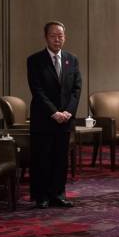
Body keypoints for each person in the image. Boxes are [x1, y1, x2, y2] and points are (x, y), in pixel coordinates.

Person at [27, 21, 81, 209]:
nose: (57, 39)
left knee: (60, 159)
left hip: (65, 119)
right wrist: (54, 112)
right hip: (43, 118)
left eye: (61, 36)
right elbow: (37, 90)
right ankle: (41, 196)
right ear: (45, 37)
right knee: (42, 158)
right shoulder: (34, 60)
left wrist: (68, 112)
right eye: (53, 36)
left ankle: (58, 194)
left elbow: (76, 89)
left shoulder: (71, 59)